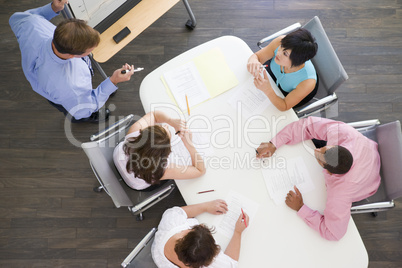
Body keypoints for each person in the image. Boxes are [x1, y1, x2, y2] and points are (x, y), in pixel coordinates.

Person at [256, 116, 381, 241]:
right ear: (335, 145)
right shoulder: (343, 133)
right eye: (323, 149)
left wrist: (301, 208)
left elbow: (334, 233)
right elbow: (308, 124)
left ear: (330, 173)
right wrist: (274, 143)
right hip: (369, 151)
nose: (316, 151)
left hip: (369, 181)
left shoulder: (340, 193)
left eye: (320, 159)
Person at [9, 1, 135, 122]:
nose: (92, 51)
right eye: (89, 50)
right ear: (71, 55)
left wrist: (53, 8)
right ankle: (89, 118)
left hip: (43, 77)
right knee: (80, 114)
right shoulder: (70, 88)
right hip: (71, 101)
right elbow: (82, 109)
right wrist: (113, 81)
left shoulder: (32, 23)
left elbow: (16, 19)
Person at [113, 111, 206, 191]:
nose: (166, 127)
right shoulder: (162, 169)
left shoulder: (134, 132)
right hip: (137, 183)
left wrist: (171, 121)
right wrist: (189, 144)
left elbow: (153, 115)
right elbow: (200, 170)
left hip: (118, 158)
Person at [152, 199, 248, 267]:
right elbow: (231, 264)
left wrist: (206, 207)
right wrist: (237, 232)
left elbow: (179, 212)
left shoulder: (171, 222)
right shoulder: (214, 263)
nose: (201, 225)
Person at [247, 28, 318, 111]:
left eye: (285, 54)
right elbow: (258, 56)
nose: (278, 52)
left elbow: (284, 105)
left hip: (290, 91)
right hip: (274, 77)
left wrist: (268, 90)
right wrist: (253, 60)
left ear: (297, 61)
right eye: (282, 46)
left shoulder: (308, 82)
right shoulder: (281, 41)